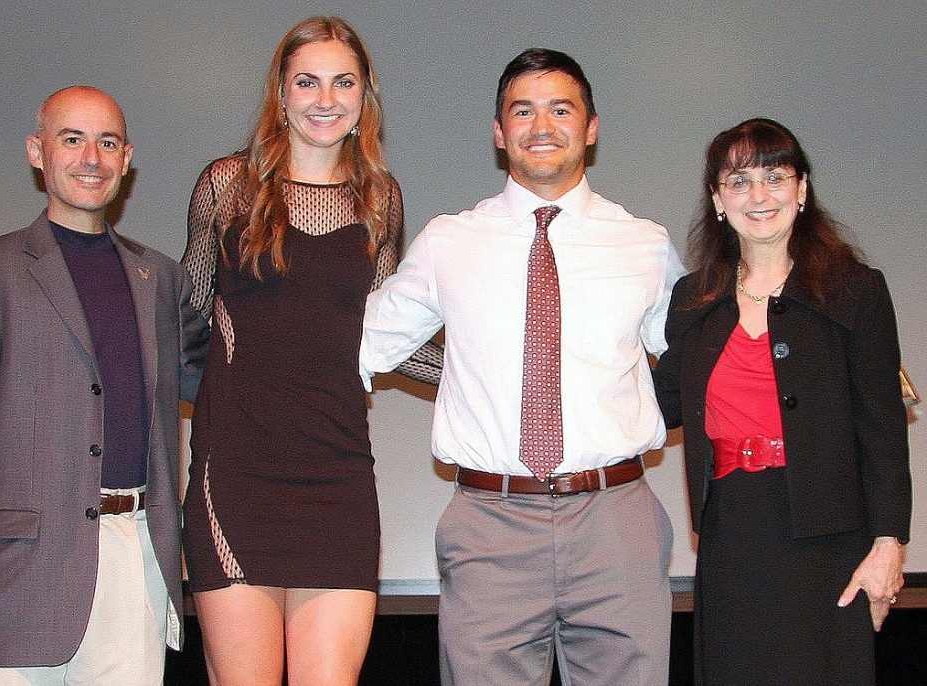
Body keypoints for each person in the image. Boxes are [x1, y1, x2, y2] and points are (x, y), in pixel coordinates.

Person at [360, 48, 685, 686]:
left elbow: (703, 362)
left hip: (617, 521)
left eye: (561, 110)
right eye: (523, 111)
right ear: (499, 131)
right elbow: (356, 347)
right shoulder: (448, 241)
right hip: (489, 527)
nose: (542, 126)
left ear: (591, 129)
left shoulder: (643, 244)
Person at [180, 16, 440, 686]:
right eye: (308, 81)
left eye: (343, 82)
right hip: (236, 477)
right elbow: (183, 311)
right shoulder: (226, 186)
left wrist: (503, 378)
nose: (326, 98)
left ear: (364, 98)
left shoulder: (379, 199)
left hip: (338, 480)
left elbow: (387, 339)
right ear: (282, 93)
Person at [0, 85, 209, 684]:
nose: (91, 158)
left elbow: (218, 381)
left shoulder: (158, 277)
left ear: (126, 160)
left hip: (136, 559)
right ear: (37, 152)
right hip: (12, 576)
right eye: (71, 140)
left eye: (107, 143)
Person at [653, 118, 911, 685]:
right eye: (739, 181)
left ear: (801, 189)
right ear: (718, 199)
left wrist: (889, 544)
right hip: (731, 533)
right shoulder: (694, 298)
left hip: (829, 539)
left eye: (775, 176)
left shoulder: (855, 290)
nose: (759, 195)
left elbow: (884, 430)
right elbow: (660, 405)